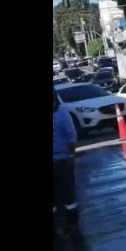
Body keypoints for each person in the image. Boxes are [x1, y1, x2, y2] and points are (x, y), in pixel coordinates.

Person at [53, 86, 79, 237]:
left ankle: (72, 224)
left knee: (68, 194)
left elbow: (71, 137)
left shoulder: (62, 115)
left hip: (62, 160)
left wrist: (71, 156)